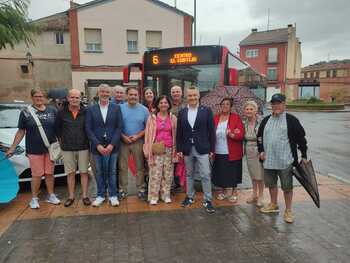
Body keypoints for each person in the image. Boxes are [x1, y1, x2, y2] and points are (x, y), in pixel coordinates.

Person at [6, 88, 60, 209]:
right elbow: (21, 132)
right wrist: (12, 148)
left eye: (41, 96)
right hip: (34, 149)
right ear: (32, 97)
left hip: (50, 148)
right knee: (37, 174)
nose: (39, 98)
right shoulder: (25, 112)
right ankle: (34, 198)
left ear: (44, 97)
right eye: (36, 96)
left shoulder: (52, 110)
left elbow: (58, 129)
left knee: (49, 173)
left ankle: (51, 195)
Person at [257, 93, 308, 223]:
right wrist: (261, 150)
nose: (276, 106)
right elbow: (259, 137)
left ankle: (288, 211)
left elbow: (301, 139)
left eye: (279, 103)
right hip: (268, 161)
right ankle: (273, 204)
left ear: (284, 104)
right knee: (271, 184)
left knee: (287, 187)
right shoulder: (265, 120)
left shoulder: (291, 120)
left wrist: (304, 155)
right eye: (274, 103)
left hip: (286, 161)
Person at [176, 86, 216, 213]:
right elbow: (179, 133)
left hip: (203, 148)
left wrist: (212, 149)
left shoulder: (206, 111)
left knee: (205, 174)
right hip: (187, 148)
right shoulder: (182, 112)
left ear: (199, 96)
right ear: (186, 97)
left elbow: (211, 131)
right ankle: (189, 196)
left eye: (194, 95)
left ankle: (208, 199)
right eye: (190, 95)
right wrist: (179, 148)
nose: (192, 97)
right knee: (189, 174)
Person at [85, 84, 122, 207]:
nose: (105, 94)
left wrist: (112, 144)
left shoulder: (116, 108)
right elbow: (88, 129)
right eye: (102, 92)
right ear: (98, 93)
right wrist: (98, 145)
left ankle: (113, 195)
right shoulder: (91, 109)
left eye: (107, 92)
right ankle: (100, 195)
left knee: (112, 172)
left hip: (113, 147)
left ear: (110, 94)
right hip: (97, 147)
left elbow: (119, 127)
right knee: (99, 172)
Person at [56, 89, 91, 207]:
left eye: (77, 97)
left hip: (83, 146)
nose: (74, 100)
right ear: (68, 98)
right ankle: (71, 196)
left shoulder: (86, 111)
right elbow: (57, 129)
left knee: (84, 172)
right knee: (70, 173)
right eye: (72, 97)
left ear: (80, 99)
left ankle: (85, 196)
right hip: (67, 147)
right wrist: (62, 141)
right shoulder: (61, 113)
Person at [143, 96, 177, 205]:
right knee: (155, 173)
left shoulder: (173, 118)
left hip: (169, 149)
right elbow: (147, 135)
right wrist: (148, 150)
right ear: (157, 104)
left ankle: (165, 195)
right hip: (156, 149)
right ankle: (154, 196)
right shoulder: (152, 118)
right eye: (161, 102)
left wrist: (176, 151)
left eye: (166, 102)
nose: (163, 104)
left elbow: (176, 135)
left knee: (167, 173)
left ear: (169, 104)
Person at [119, 86, 149, 200]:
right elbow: (116, 126)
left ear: (138, 96)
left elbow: (148, 128)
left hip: (138, 141)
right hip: (123, 141)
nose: (133, 97)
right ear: (126, 96)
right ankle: (123, 190)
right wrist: (123, 136)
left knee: (140, 167)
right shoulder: (119, 108)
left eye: (135, 95)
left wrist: (137, 136)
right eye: (131, 94)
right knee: (122, 167)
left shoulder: (144, 110)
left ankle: (141, 189)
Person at [212, 98, 244, 203]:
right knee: (220, 171)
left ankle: (234, 192)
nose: (225, 106)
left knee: (233, 172)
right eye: (223, 104)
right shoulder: (215, 117)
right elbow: (211, 132)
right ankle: (223, 191)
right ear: (220, 106)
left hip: (232, 151)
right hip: (218, 150)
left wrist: (232, 134)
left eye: (227, 104)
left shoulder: (236, 118)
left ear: (231, 107)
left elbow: (241, 134)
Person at [243, 100, 264, 207]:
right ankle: (254, 194)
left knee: (259, 175)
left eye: (251, 109)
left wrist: (263, 151)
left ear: (256, 110)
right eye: (247, 109)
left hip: (258, 150)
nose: (249, 111)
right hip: (248, 150)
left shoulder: (261, 122)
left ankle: (261, 196)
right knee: (252, 174)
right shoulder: (244, 122)